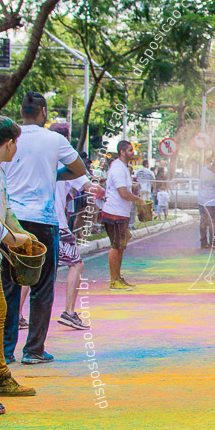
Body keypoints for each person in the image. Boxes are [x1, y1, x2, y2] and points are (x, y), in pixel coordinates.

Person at [2, 92, 86, 363]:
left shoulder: (8, 138)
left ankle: (5, 351)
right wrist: (54, 174)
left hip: (9, 221)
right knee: (42, 287)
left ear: (22, 110)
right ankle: (34, 350)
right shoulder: (55, 139)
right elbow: (78, 169)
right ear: (44, 112)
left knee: (9, 286)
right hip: (43, 221)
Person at [0, 116, 40, 405]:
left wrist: (23, 234)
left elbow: (6, 211)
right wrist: (14, 240)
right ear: (9, 143)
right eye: (16, 144)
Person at [55, 167, 100, 329]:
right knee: (76, 264)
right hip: (55, 224)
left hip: (27, 222)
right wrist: (102, 191)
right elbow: (91, 188)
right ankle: (69, 312)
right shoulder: (64, 163)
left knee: (32, 268)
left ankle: (17, 315)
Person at [102, 141, 142, 292]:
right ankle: (114, 280)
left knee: (121, 246)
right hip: (114, 213)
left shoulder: (123, 167)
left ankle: (118, 278)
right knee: (116, 246)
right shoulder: (118, 168)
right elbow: (123, 192)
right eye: (130, 150)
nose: (133, 152)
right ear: (122, 152)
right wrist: (138, 200)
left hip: (121, 213)